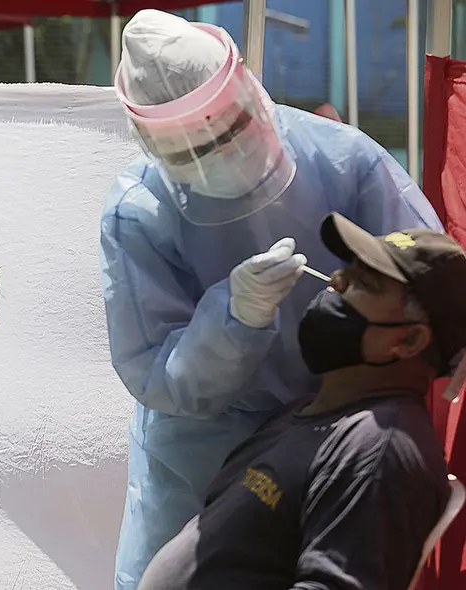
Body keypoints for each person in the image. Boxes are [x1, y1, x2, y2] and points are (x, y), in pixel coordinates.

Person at [101, 10, 443, 589]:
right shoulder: (139, 212)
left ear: (248, 92)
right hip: (200, 460)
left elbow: (428, 273)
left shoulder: (342, 160)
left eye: (232, 129)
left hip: (332, 437)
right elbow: (158, 374)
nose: (222, 153)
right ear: (152, 143)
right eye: (193, 151)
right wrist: (232, 318)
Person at [138, 212, 460, 589]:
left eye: (365, 283)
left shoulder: (377, 448)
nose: (337, 281)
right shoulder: (303, 416)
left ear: (408, 341)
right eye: (347, 269)